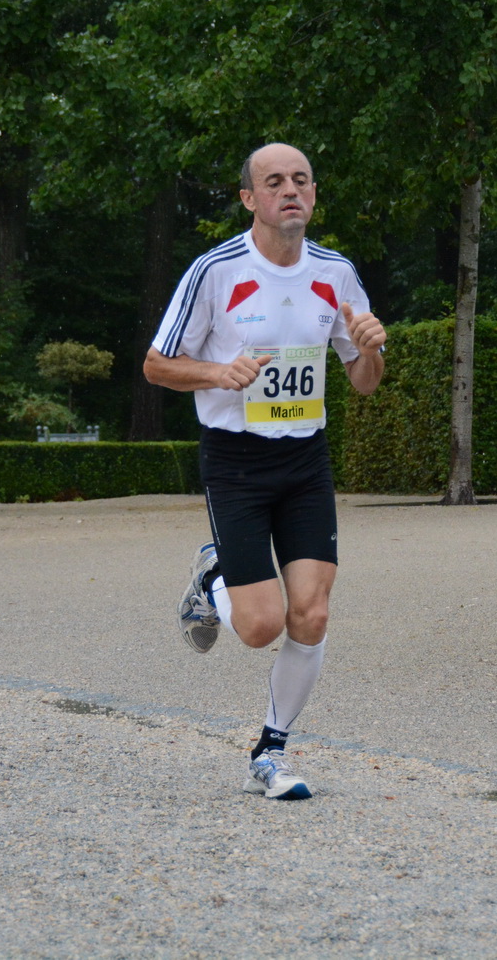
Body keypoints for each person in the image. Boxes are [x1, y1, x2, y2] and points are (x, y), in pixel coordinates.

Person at [144, 142, 385, 801]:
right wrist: (218, 372)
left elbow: (364, 380)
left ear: (313, 193)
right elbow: (156, 364)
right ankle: (212, 575)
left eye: (301, 180)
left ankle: (270, 751)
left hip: (305, 459)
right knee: (259, 627)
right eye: (273, 182)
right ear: (250, 198)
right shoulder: (215, 270)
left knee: (311, 613)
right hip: (237, 461)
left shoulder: (336, 273)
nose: (290, 190)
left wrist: (370, 350)